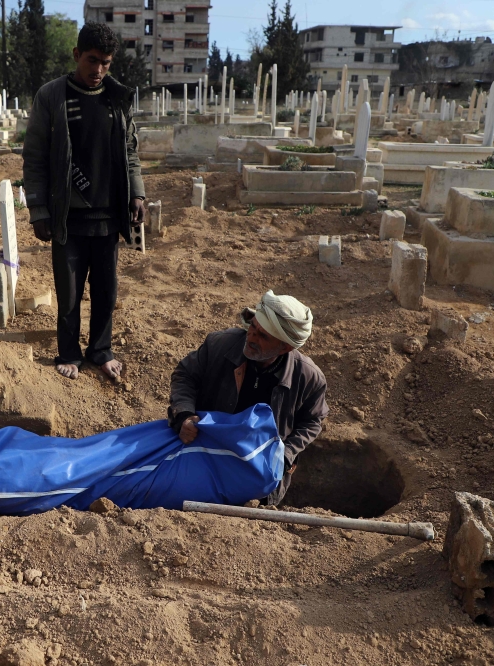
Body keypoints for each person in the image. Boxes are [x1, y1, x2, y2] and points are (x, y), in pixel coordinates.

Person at [23, 22, 146, 382]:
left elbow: (130, 151)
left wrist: (136, 191)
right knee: (70, 294)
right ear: (77, 55)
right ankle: (69, 353)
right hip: (69, 218)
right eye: (92, 61)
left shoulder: (117, 97)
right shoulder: (52, 96)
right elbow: (35, 159)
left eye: (106, 63)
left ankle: (101, 350)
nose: (98, 70)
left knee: (106, 292)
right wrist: (39, 210)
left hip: (109, 216)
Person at [168, 291, 329, 505]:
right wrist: (184, 415)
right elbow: (185, 375)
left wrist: (286, 454)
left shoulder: (308, 377)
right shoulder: (220, 345)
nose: (252, 337)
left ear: (286, 347)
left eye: (264, 336)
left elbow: (313, 420)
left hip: (258, 476)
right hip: (205, 454)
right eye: (253, 327)